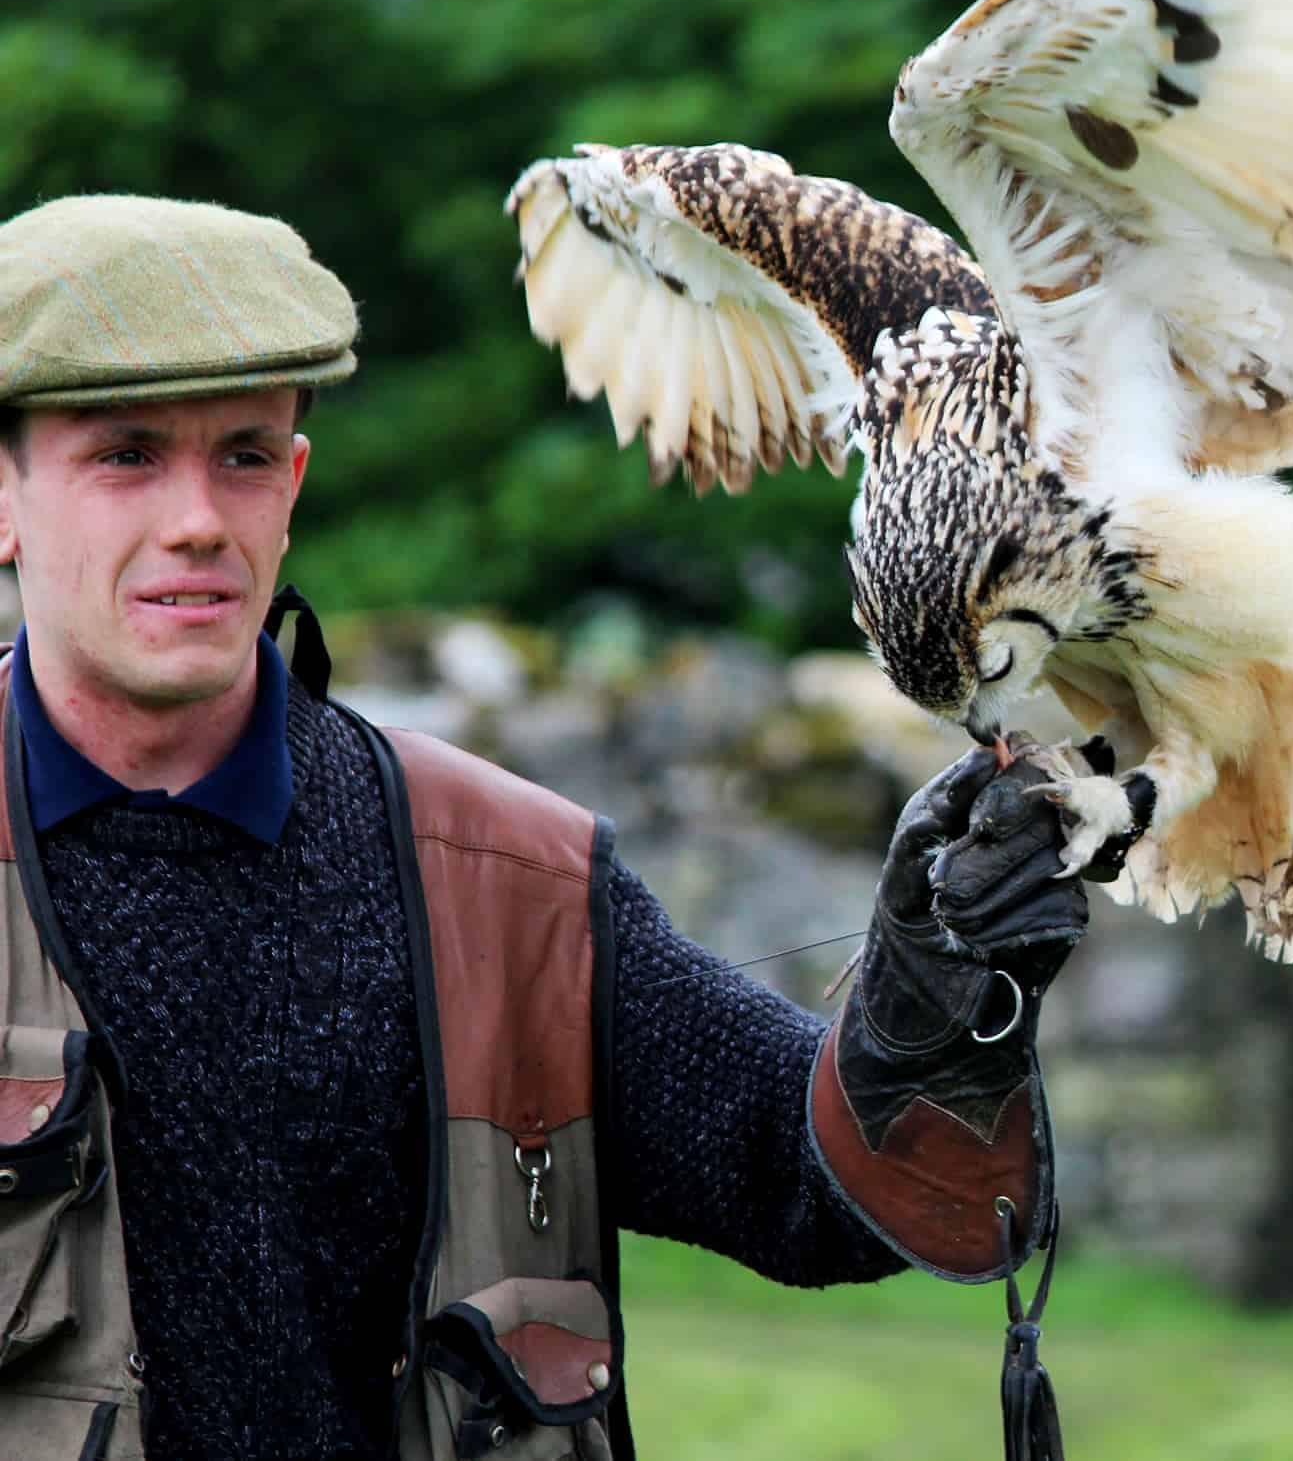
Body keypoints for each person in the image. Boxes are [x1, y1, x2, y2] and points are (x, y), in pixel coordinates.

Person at [0, 193, 1089, 1460]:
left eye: (243, 452)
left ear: (291, 486)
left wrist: (933, 1001)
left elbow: (810, 1183)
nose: (197, 514)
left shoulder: (510, 879)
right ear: (5, 498)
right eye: (125, 454)